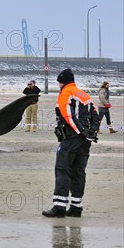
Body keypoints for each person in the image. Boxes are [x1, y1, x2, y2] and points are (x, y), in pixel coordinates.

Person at [42, 69, 99, 218]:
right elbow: (95, 114)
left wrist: (80, 131)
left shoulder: (66, 92)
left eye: (59, 81)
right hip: (85, 142)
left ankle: (59, 206)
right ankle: (76, 207)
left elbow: (68, 115)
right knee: (79, 172)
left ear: (63, 81)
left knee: (62, 169)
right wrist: (92, 132)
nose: (58, 84)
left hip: (71, 138)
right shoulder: (84, 95)